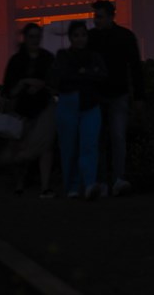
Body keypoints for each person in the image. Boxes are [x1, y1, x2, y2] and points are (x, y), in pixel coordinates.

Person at [88, 0, 144, 197]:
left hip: (118, 95)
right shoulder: (91, 38)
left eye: (100, 17)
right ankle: (105, 181)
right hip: (99, 96)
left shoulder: (125, 37)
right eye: (95, 16)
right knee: (101, 138)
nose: (96, 21)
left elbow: (136, 67)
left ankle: (117, 179)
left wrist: (138, 96)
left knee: (117, 137)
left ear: (111, 17)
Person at [0, 23, 57, 198]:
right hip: (22, 110)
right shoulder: (16, 61)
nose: (35, 40)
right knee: (21, 147)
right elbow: (8, 90)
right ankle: (20, 184)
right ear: (25, 38)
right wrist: (26, 83)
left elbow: (53, 82)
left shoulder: (47, 58)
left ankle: (44, 187)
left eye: (37, 36)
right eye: (31, 36)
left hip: (43, 109)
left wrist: (40, 85)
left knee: (46, 147)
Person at [53, 21, 107, 200]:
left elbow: (102, 76)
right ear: (70, 38)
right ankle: (73, 187)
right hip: (70, 107)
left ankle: (89, 184)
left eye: (83, 35)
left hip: (90, 106)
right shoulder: (63, 56)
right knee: (70, 149)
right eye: (76, 35)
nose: (80, 39)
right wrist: (87, 74)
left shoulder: (94, 56)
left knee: (89, 145)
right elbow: (60, 78)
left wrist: (79, 74)